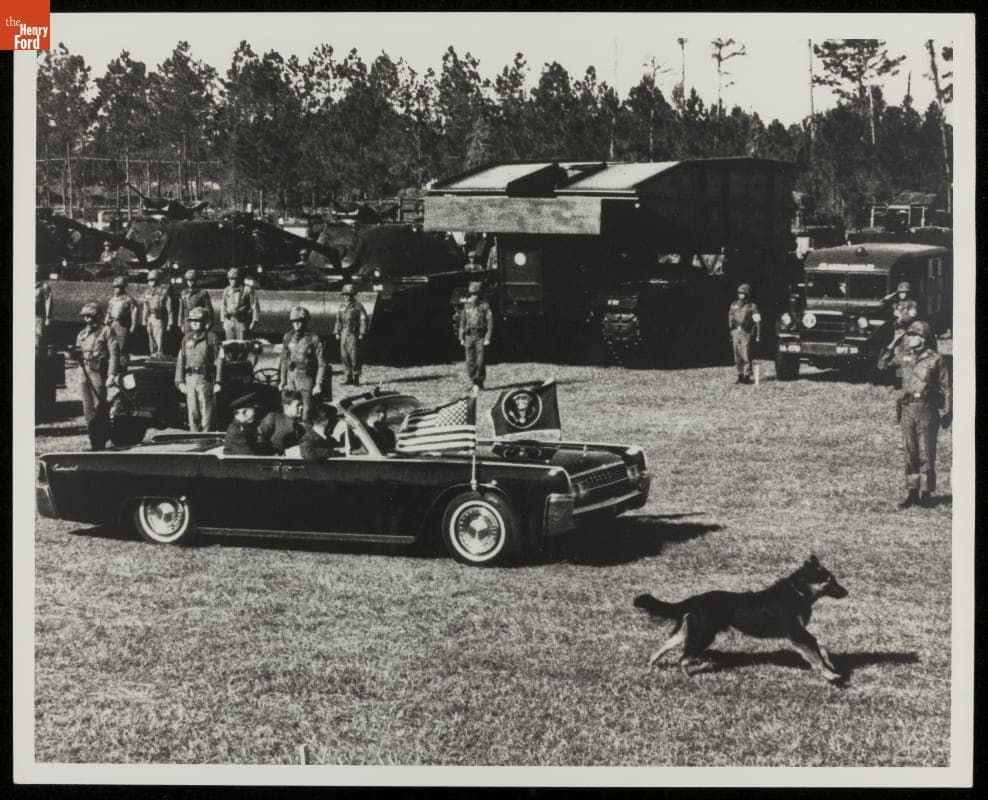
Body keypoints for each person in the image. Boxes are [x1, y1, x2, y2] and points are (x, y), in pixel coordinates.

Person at [877, 320, 951, 508]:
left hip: (927, 408)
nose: (908, 338)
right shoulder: (904, 356)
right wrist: (893, 342)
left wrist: (948, 412)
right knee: (910, 452)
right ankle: (912, 493)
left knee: (926, 452)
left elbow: (947, 387)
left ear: (923, 339)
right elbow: (882, 365)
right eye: (908, 335)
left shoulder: (936, 359)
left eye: (912, 335)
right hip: (907, 408)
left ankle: (925, 493)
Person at [74, 302, 120, 450]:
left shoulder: (107, 331)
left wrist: (112, 374)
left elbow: (114, 354)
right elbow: (78, 352)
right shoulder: (81, 334)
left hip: (98, 373)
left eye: (90, 316)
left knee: (99, 407)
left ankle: (102, 440)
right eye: (85, 317)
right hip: (84, 372)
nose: (87, 320)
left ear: (98, 316)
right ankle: (94, 441)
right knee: (87, 409)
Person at [174, 306, 223, 432]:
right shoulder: (186, 339)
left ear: (205, 322)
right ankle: (194, 437)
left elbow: (219, 360)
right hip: (190, 378)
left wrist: (218, 382)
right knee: (192, 411)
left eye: (198, 320)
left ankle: (206, 438)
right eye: (192, 320)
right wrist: (179, 382)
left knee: (206, 411)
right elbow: (181, 360)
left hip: (205, 378)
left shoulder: (212, 338)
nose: (194, 323)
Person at [279, 306, 326, 423]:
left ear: (305, 322)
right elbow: (284, 360)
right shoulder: (288, 337)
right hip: (291, 378)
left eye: (300, 321)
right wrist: (282, 380)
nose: (297, 324)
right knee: (290, 410)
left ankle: (306, 433)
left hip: (306, 378)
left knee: (306, 411)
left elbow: (322, 363)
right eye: (294, 321)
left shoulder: (313, 338)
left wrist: (318, 384)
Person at [459, 281, 493, 390]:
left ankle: (479, 381)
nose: (474, 296)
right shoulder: (466, 306)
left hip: (480, 336)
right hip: (469, 336)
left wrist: (487, 338)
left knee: (480, 360)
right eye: (472, 294)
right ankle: (474, 381)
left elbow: (490, 323)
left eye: (476, 294)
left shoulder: (484, 306)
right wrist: (461, 337)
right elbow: (462, 322)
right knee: (470, 360)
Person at [334, 284, 369, 386]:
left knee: (354, 356)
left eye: (349, 294)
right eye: (345, 294)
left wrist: (362, 332)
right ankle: (348, 377)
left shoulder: (358, 306)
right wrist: (337, 332)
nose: (347, 297)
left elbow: (363, 320)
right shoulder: (341, 307)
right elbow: (338, 320)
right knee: (344, 356)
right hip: (344, 333)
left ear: (353, 295)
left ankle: (356, 378)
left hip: (353, 333)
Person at [728, 283, 761, 384]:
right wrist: (731, 330)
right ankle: (740, 375)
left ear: (747, 294)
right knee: (737, 355)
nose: (740, 295)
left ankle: (747, 375)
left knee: (746, 354)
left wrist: (758, 334)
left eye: (742, 293)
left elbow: (757, 321)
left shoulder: (752, 306)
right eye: (739, 293)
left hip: (746, 332)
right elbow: (730, 316)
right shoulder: (734, 305)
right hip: (735, 332)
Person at [104, 276, 138, 371]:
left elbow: (134, 313)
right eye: (115, 287)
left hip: (123, 325)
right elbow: (109, 311)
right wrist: (106, 322)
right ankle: (113, 368)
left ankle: (123, 368)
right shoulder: (112, 299)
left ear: (123, 288)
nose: (116, 289)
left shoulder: (129, 299)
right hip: (113, 324)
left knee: (122, 348)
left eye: (119, 287)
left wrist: (133, 326)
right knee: (111, 346)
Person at [257, 389, 306, 454]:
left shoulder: (300, 428)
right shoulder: (274, 417)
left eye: (302, 404)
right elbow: (260, 438)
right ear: (286, 406)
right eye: (298, 405)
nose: (301, 407)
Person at [221, 267, 260, 340]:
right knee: (229, 345)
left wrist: (254, 321)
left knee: (242, 344)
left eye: (234, 279)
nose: (232, 281)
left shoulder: (247, 290)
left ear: (239, 279)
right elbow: (223, 305)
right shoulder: (227, 290)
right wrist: (223, 321)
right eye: (230, 279)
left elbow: (254, 306)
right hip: (229, 321)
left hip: (241, 321)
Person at [140, 269, 173, 357]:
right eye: (150, 280)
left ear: (157, 280)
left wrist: (170, 322)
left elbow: (169, 309)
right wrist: (143, 319)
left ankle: (160, 352)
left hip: (159, 317)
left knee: (159, 335)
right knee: (151, 335)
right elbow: (145, 307)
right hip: (150, 317)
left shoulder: (163, 292)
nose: (151, 282)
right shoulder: (147, 292)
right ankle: (153, 353)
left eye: (153, 280)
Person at [179, 268, 214, 334]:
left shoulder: (202, 293)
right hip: (187, 321)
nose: (190, 282)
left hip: (199, 321)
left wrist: (209, 322)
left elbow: (209, 309)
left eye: (192, 280)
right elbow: (181, 309)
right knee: (188, 340)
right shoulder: (184, 293)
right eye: (188, 280)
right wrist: (181, 324)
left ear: (196, 280)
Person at [35, 275, 52, 345]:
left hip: (38, 316)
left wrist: (47, 317)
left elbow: (47, 301)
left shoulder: (44, 286)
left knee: (37, 336)